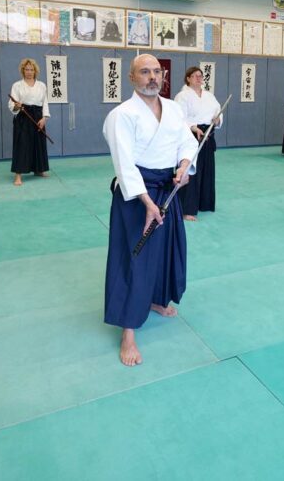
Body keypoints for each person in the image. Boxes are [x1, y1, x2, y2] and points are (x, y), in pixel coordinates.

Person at [103, 54, 197, 366]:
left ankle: (156, 299)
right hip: (137, 194)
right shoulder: (122, 114)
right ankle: (128, 330)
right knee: (135, 257)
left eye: (157, 71)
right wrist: (146, 202)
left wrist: (184, 166)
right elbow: (124, 163)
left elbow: (187, 142)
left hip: (167, 188)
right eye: (145, 72)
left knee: (165, 250)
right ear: (132, 77)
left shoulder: (173, 108)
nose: (153, 77)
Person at [174, 66, 223, 221]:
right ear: (188, 78)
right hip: (191, 134)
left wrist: (217, 120)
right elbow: (179, 117)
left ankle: (204, 203)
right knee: (190, 171)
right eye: (195, 76)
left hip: (208, 133)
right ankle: (186, 209)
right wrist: (193, 127)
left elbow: (218, 111)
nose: (198, 78)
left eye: (200, 76)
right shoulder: (182, 96)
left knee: (207, 170)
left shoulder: (209, 96)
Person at [9, 58, 50, 186]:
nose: (29, 72)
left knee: (38, 143)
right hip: (23, 115)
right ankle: (18, 175)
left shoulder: (42, 85)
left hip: (38, 115)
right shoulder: (17, 85)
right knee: (22, 145)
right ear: (23, 71)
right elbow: (12, 104)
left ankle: (39, 169)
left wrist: (44, 118)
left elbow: (45, 102)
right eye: (26, 69)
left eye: (31, 70)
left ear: (35, 71)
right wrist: (17, 106)